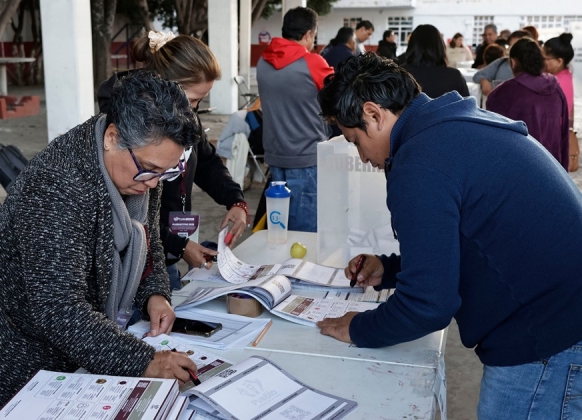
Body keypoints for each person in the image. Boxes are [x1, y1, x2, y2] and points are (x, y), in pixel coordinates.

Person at [315, 52, 582, 419]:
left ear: (374, 114)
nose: (362, 157)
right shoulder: (452, 125)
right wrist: (391, 269)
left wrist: (358, 327)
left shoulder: (420, 163)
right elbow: (471, 235)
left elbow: (428, 305)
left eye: (355, 141)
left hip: (549, 339)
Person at [0, 71, 202, 417]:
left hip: (83, 353)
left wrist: (156, 293)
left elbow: (149, 241)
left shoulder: (140, 167)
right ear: (113, 137)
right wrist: (145, 361)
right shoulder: (56, 185)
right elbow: (57, 308)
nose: (154, 183)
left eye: (166, 172)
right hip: (26, 363)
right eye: (149, 170)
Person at [98, 32, 248, 291]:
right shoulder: (130, 126)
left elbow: (206, 163)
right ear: (164, 86)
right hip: (131, 257)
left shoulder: (184, 117)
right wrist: (177, 245)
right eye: (191, 101)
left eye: (200, 102)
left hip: (166, 246)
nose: (194, 111)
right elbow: (123, 211)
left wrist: (235, 199)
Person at [256, 7, 333, 232]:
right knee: (305, 233)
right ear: (308, 34)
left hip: (275, 157)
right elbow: (340, 96)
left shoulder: (263, 62)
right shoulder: (314, 63)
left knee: (279, 228)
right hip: (307, 158)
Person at [487, 38, 569, 169]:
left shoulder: (503, 93)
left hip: (518, 170)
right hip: (554, 169)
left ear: (513, 62)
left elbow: (493, 139)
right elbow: (564, 133)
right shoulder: (556, 88)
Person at [401, 24, 469, 98]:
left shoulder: (399, 75)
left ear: (411, 46)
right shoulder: (454, 76)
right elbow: (468, 107)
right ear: (440, 46)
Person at [544, 33, 578, 171]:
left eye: (545, 58)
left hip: (553, 139)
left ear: (559, 61)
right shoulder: (566, 75)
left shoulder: (555, 83)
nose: (542, 61)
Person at [473, 30, 530, 96]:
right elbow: (478, 75)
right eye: (510, 46)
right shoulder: (502, 62)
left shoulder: (534, 68)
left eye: (516, 47)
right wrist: (484, 82)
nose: (511, 50)